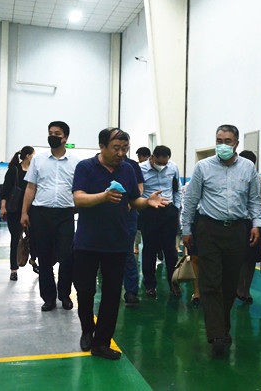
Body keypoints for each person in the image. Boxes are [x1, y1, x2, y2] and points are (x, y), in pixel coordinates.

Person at [72, 127, 169, 360]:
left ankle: (102, 343)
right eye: (116, 148)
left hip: (117, 242)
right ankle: (87, 328)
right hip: (87, 242)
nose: (121, 153)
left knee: (112, 294)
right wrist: (103, 196)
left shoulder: (127, 169)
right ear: (102, 147)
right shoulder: (85, 167)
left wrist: (147, 202)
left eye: (125, 148)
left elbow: (134, 200)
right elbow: (78, 198)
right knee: (85, 291)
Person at [182, 125, 261, 356]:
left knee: (229, 283)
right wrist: (186, 228)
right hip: (209, 229)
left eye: (228, 141)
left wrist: (257, 224)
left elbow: (254, 200)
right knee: (210, 282)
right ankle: (217, 334)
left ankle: (223, 326)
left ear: (236, 143)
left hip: (237, 230)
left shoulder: (248, 168)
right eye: (219, 140)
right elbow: (191, 200)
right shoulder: (203, 167)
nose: (223, 145)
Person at [21, 121, 80, 312]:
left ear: (65, 138)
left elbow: (79, 190)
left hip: (65, 214)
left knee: (67, 257)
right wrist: (24, 213)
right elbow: (31, 188)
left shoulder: (76, 162)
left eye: (57, 133)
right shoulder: (38, 160)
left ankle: (65, 295)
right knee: (44, 258)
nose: (52, 136)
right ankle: (48, 298)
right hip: (41, 214)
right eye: (50, 133)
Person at [138, 145, 182, 298]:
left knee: (170, 250)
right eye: (159, 162)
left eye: (165, 163)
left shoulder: (173, 167)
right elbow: (137, 192)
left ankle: (173, 283)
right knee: (149, 249)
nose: (162, 166)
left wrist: (176, 208)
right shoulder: (141, 169)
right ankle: (150, 285)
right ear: (152, 157)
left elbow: (177, 189)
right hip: (149, 212)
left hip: (169, 212)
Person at [0, 146, 35, 281]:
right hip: (14, 210)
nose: (34, 158)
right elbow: (5, 190)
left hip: (30, 210)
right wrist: (3, 207)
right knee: (15, 239)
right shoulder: (14, 170)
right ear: (27, 156)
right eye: (33, 155)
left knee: (34, 238)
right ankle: (13, 269)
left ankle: (33, 261)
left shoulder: (34, 171)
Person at [236, 150, 261, 305]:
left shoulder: (258, 178)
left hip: (254, 222)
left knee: (251, 259)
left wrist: (259, 222)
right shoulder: (234, 176)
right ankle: (239, 288)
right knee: (239, 258)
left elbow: (259, 199)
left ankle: (247, 289)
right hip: (239, 221)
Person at [122, 151, 144, 306]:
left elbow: (140, 188)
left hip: (128, 216)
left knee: (127, 252)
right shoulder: (94, 166)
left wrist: (131, 202)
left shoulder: (132, 166)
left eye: (124, 147)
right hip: (105, 217)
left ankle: (131, 291)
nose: (120, 151)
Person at [134, 147, 151, 254]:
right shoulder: (137, 168)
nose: (139, 159)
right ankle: (136, 246)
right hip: (140, 203)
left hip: (151, 203)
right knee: (138, 227)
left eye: (140, 157)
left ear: (146, 157)